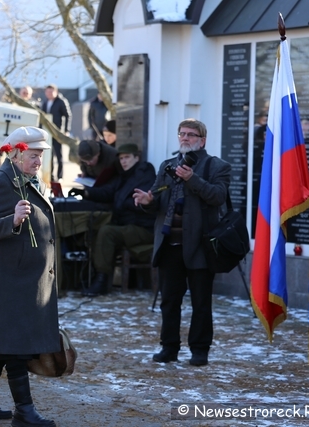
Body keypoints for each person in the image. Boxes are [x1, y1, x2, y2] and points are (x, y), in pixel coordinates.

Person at [0, 126, 58, 427]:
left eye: (41, 155)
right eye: (33, 155)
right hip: (8, 283)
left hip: (23, 280)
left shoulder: (28, 180)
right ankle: (24, 412)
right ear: (17, 153)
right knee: (15, 348)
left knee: (0, 348)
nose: (38, 161)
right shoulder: (2, 182)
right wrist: (13, 220)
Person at [133, 119, 231, 367]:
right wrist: (147, 201)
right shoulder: (167, 165)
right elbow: (156, 198)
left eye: (191, 134)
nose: (185, 138)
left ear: (203, 139)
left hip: (200, 247)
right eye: (182, 134)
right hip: (169, 245)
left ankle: (199, 351)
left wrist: (192, 179)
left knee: (200, 302)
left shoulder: (216, 166)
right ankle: (169, 348)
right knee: (169, 301)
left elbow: (218, 197)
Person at [72, 144, 156, 296]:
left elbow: (140, 202)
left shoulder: (144, 174)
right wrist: (85, 192)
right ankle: (93, 277)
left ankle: (102, 281)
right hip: (129, 226)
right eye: (121, 158)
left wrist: (123, 204)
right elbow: (107, 192)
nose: (124, 161)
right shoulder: (124, 176)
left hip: (143, 228)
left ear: (136, 157)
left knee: (107, 232)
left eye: (127, 157)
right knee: (96, 230)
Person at [41, 84, 71, 182]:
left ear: (56, 92)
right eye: (47, 92)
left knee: (59, 155)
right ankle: (51, 176)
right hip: (47, 133)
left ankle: (60, 176)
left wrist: (66, 130)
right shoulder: (45, 103)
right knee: (49, 155)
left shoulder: (61, 102)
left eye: (51, 92)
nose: (49, 94)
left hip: (58, 133)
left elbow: (68, 116)